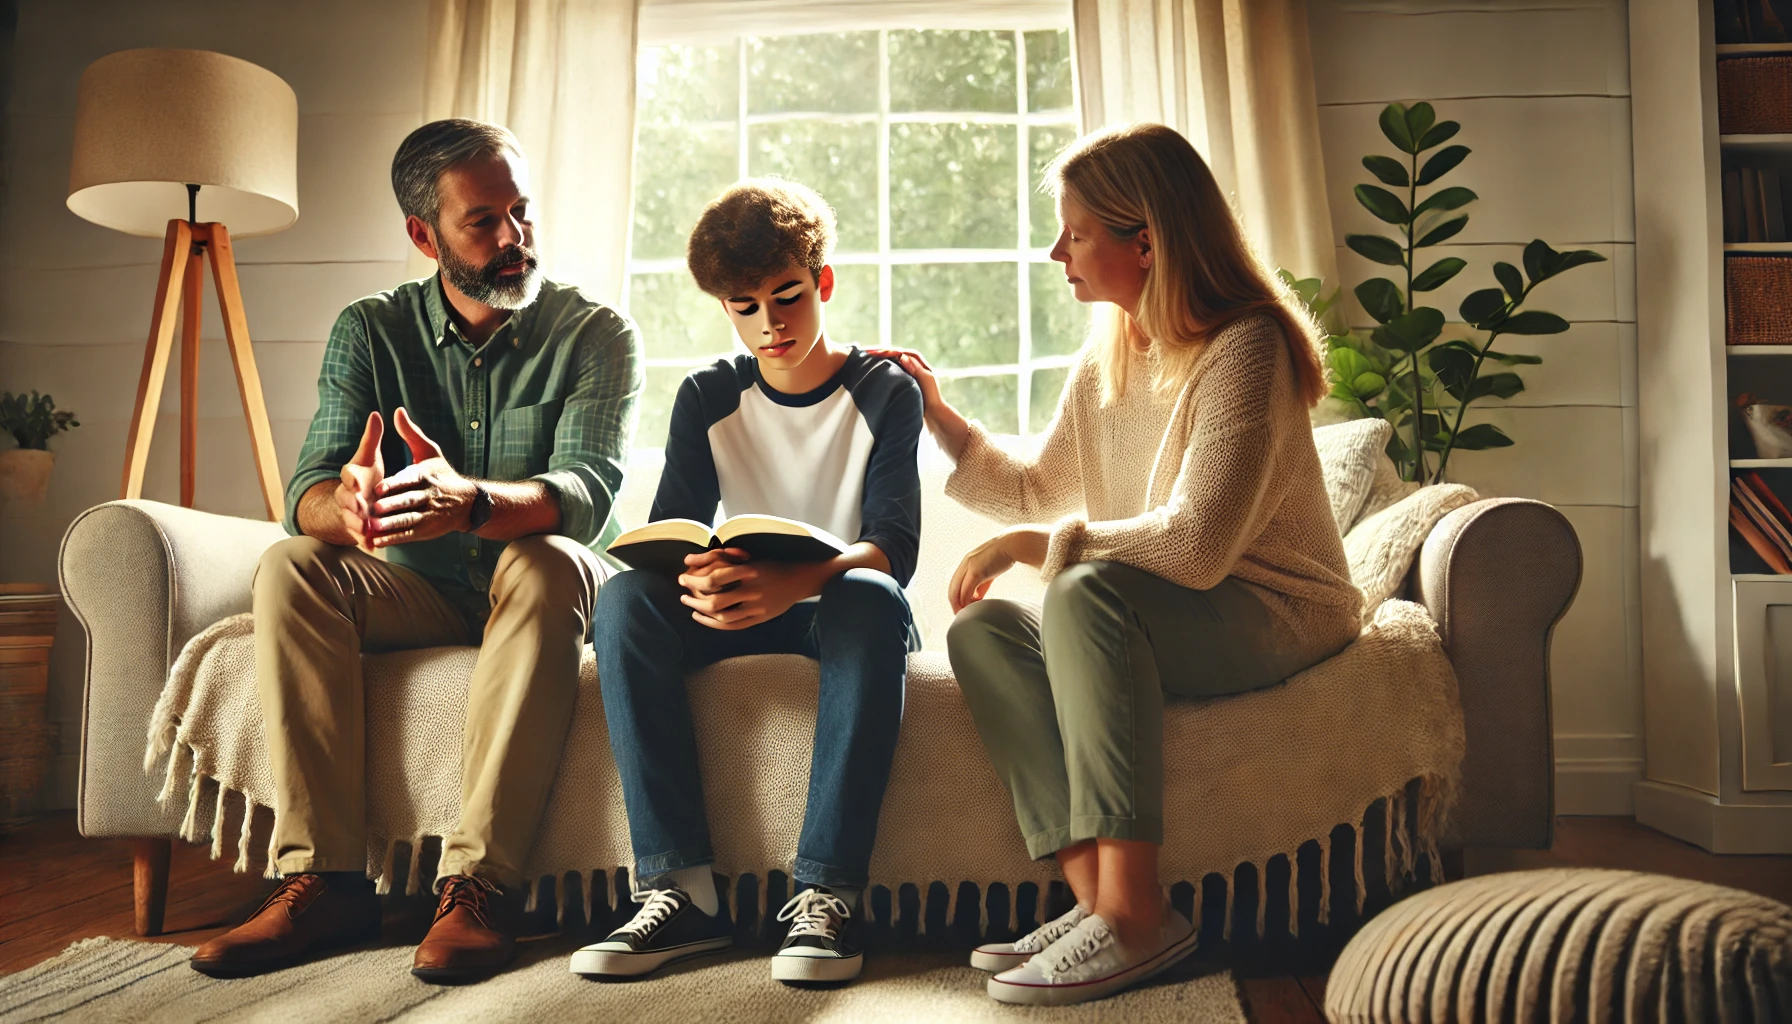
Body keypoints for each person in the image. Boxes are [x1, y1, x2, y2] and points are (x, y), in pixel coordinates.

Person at [874, 123, 1362, 1007]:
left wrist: (1043, 549)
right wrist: (937, 417)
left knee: (1086, 589)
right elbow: (1033, 489)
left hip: (1276, 611)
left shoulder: (1245, 346)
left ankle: (1140, 916)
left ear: (1147, 238)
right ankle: (1098, 902)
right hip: (1176, 612)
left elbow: (1197, 546)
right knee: (983, 629)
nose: (1055, 249)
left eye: (1076, 231)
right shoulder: (1110, 355)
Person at [189, 119, 643, 983]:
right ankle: (323, 879)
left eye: (524, 212)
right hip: (421, 593)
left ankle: (479, 886)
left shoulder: (595, 332)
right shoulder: (368, 330)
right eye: (485, 221)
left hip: (546, 584)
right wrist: (348, 507)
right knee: (291, 565)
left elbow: (584, 495)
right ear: (422, 235)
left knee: (545, 559)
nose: (515, 238)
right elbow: (305, 497)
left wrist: (468, 502)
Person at [571, 178, 921, 985]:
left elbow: (892, 550)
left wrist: (792, 584)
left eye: (788, 297)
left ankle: (826, 897)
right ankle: (680, 892)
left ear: (822, 282)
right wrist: (705, 580)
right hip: (740, 612)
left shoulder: (883, 392)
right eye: (745, 306)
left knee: (870, 595)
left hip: (844, 610)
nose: (771, 323)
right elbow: (671, 539)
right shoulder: (705, 395)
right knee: (626, 596)